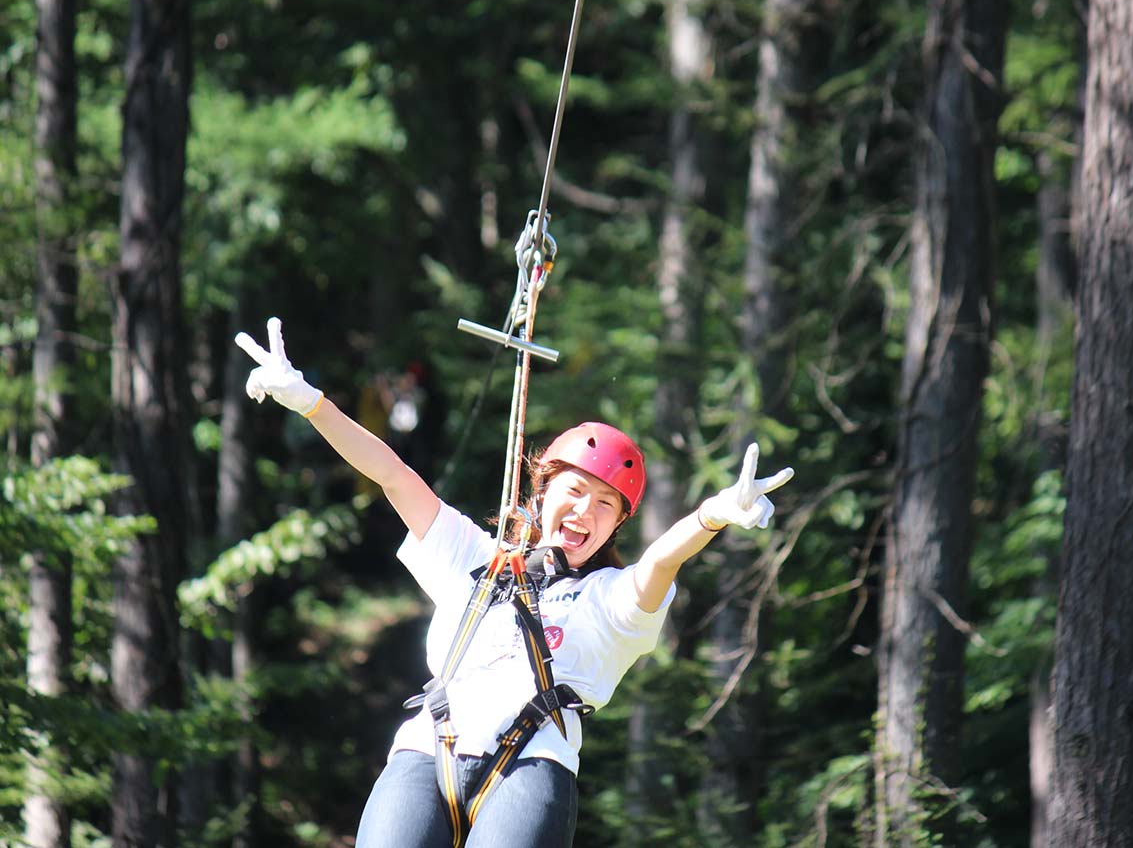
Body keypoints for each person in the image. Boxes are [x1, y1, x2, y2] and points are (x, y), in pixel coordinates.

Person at [235, 317, 794, 848]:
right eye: (573, 492)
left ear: (617, 525)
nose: (584, 512)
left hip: (533, 763)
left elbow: (659, 565)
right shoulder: (475, 556)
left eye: (605, 505)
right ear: (542, 490)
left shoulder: (609, 601)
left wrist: (710, 518)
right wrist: (312, 405)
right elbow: (391, 474)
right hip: (429, 751)